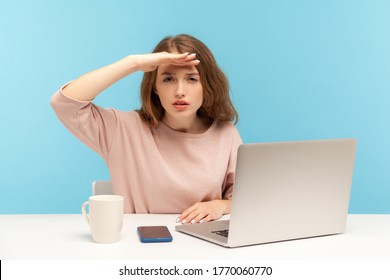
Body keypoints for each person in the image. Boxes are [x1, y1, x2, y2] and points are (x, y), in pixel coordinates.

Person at [50, 34, 242, 224]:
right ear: (155, 87)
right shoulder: (123, 129)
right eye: (168, 79)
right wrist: (133, 63)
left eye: (192, 78)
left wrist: (220, 206)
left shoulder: (226, 134)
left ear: (206, 85)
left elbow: (245, 200)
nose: (180, 91)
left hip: (203, 247)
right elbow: (65, 103)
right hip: (140, 246)